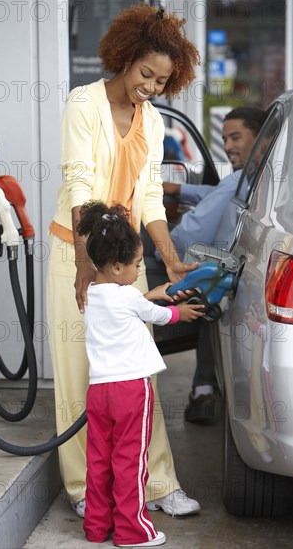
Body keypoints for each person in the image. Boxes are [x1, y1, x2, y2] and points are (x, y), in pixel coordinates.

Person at [46, 4, 201, 519]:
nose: (151, 87)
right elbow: (79, 178)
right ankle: (84, 489)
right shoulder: (83, 103)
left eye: (161, 80)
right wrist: (87, 258)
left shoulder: (152, 120)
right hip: (76, 254)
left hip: (122, 266)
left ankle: (156, 484)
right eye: (145, 74)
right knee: (79, 375)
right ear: (125, 57)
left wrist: (170, 258)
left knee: (137, 374)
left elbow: (151, 193)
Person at [77, 201, 205, 547]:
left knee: (99, 461)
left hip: (99, 393)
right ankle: (134, 532)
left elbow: (130, 306)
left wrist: (152, 296)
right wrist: (180, 311)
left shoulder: (89, 294)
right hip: (132, 391)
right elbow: (160, 316)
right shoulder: (129, 296)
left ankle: (97, 527)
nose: (138, 270)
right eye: (135, 264)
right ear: (117, 266)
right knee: (131, 461)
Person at [159, 106, 269, 422]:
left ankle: (205, 390)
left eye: (236, 137)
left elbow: (192, 232)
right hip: (253, 269)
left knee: (209, 305)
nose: (229, 145)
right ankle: (208, 387)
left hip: (229, 271)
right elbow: (220, 192)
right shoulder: (264, 176)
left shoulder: (241, 178)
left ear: (262, 137)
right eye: (225, 138)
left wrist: (159, 247)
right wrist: (181, 189)